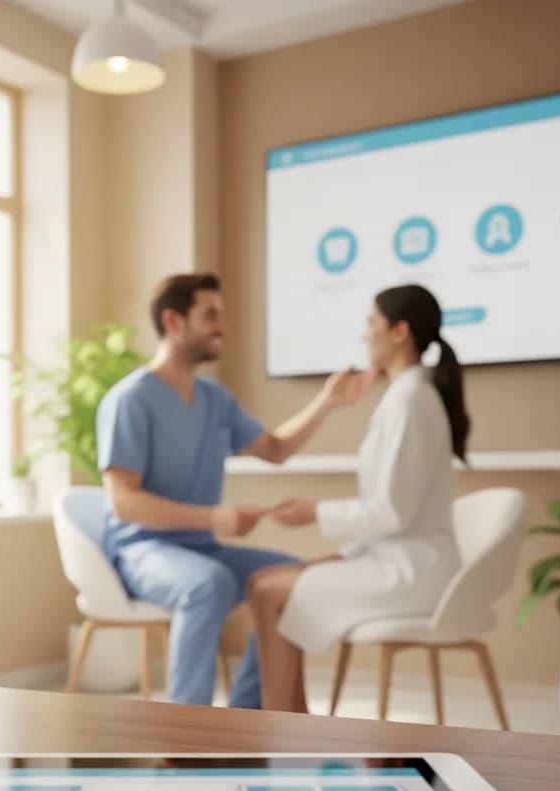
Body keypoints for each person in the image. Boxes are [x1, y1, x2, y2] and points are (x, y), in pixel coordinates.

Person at [97, 272, 368, 709]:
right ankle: (184, 728)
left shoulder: (215, 399)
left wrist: (328, 402)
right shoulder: (131, 400)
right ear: (173, 321)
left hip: (201, 548)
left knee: (290, 578)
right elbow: (123, 502)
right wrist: (215, 518)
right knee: (208, 584)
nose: (222, 326)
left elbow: (275, 450)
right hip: (142, 550)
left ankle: (244, 716)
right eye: (210, 316)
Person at [246, 284, 469, 713]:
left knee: (268, 592)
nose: (364, 334)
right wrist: (345, 554)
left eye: (371, 323)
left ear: (400, 332)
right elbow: (394, 513)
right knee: (261, 583)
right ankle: (290, 725)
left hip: (412, 572)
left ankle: (281, 728)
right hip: (393, 557)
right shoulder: (405, 397)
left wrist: (314, 512)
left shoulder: (411, 401)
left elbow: (392, 512)